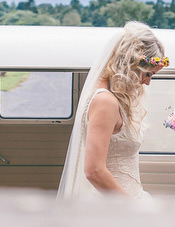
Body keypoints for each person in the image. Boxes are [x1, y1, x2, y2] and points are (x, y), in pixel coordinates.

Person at [57, 21, 168, 200]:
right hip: (116, 206)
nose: (147, 82)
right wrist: (131, 207)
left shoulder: (113, 98)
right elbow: (94, 170)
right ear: (131, 65)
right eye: (148, 74)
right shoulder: (105, 101)